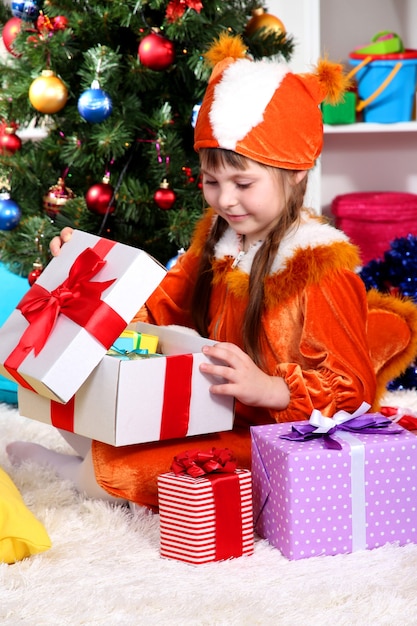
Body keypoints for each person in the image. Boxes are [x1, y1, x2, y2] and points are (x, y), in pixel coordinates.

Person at [7, 34, 417, 509]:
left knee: (119, 468)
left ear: (297, 171)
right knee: (91, 411)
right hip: (211, 415)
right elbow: (161, 306)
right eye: (211, 181)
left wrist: (272, 388)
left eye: (243, 183)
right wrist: (91, 278)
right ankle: (87, 462)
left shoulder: (320, 267)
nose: (225, 200)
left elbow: (352, 389)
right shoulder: (219, 238)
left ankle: (74, 474)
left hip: (279, 438)